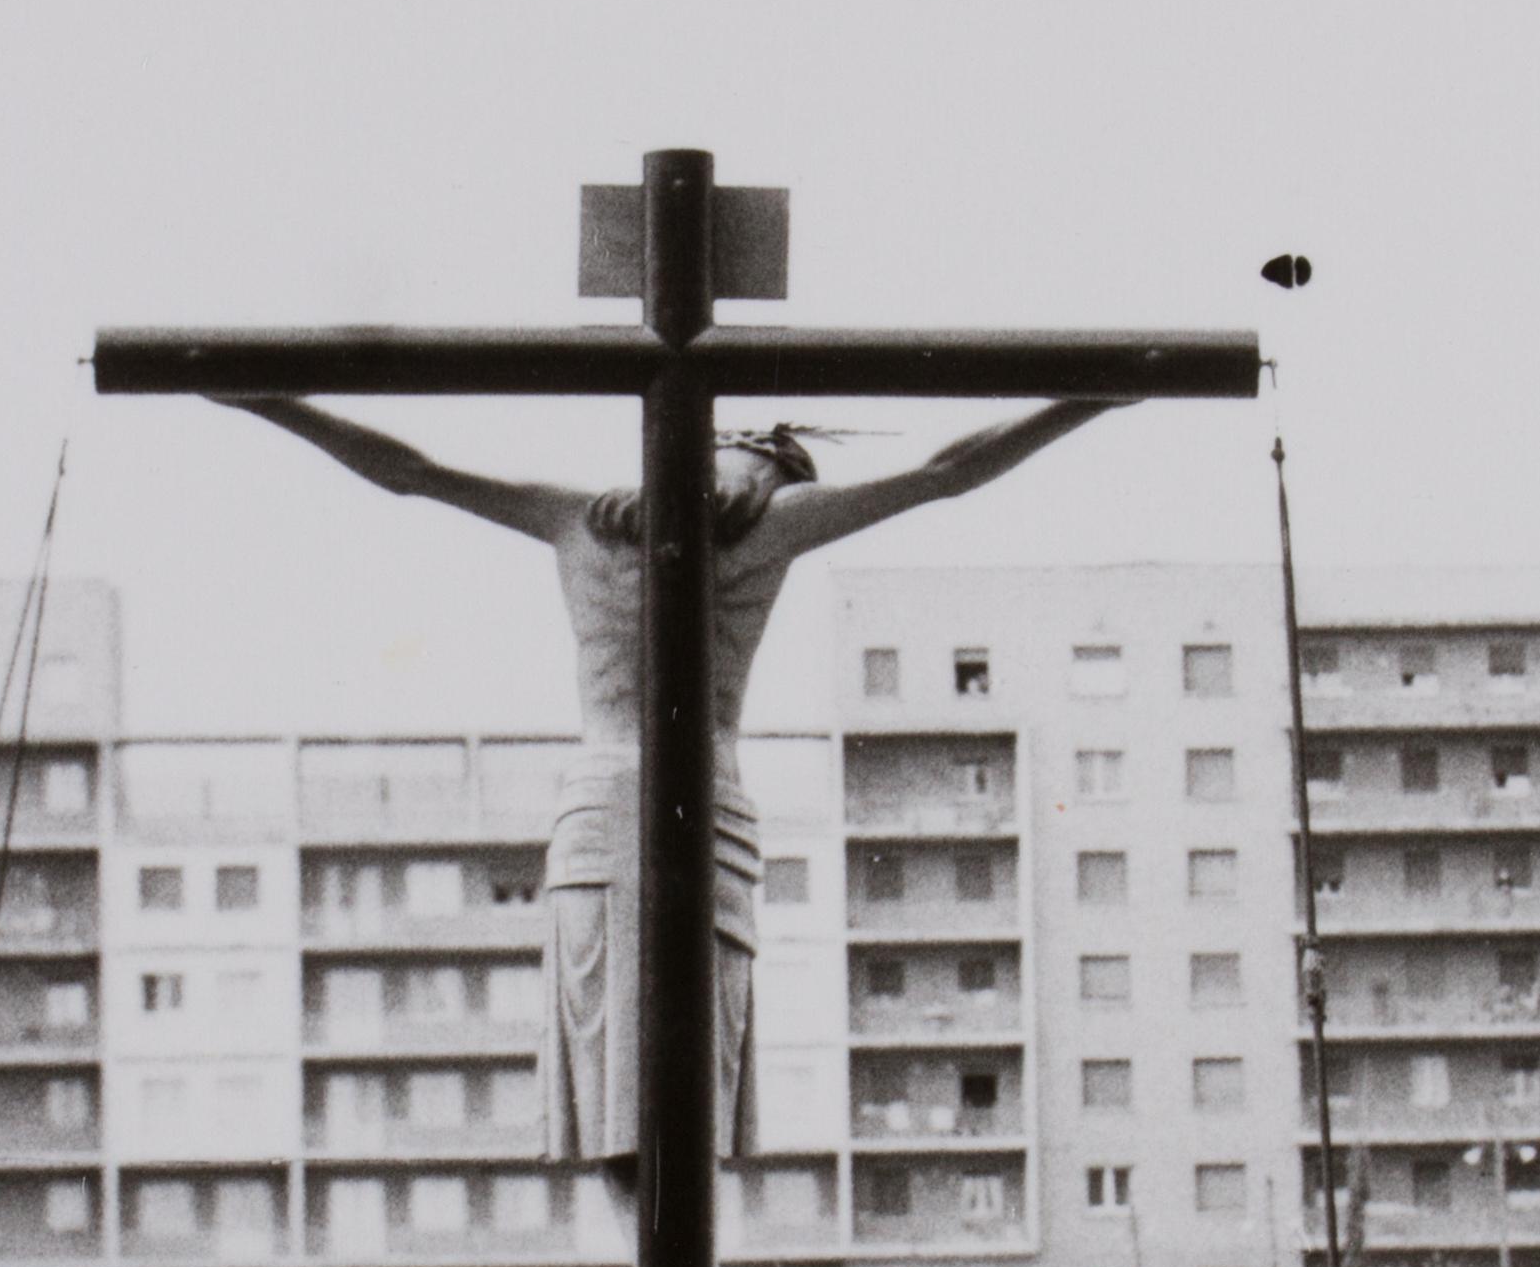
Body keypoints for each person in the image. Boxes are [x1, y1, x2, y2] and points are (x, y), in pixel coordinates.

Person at [214, 396, 1121, 1174]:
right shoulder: (743, 524)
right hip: (694, 803)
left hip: (613, 805)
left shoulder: (586, 518)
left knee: (630, 1082)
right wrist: (1090, 402)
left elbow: (408, 469)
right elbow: (949, 471)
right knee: (680, 1081)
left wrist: (268, 403)